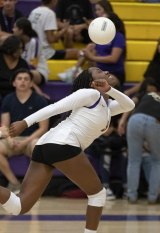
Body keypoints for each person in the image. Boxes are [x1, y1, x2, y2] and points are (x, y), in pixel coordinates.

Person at [0, 67, 134, 233]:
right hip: (63, 144)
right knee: (98, 194)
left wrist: (109, 90)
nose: (106, 72)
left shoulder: (107, 108)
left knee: (19, 206)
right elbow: (54, 108)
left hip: (45, 146)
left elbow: (129, 105)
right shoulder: (89, 94)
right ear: (90, 81)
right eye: (98, 71)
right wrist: (24, 123)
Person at [0, 68, 49, 192]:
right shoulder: (8, 99)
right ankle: (14, 183)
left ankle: (34, 187)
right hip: (13, 138)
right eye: (19, 79)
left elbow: (43, 128)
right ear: (14, 83)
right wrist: (9, 139)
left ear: (31, 83)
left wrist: (25, 142)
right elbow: (5, 126)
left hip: (32, 139)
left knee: (38, 147)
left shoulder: (39, 100)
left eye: (26, 79)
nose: (23, 81)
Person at [118, 78, 160, 204]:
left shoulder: (143, 94)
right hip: (155, 121)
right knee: (157, 161)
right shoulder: (156, 96)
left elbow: (131, 104)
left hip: (135, 119)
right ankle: (153, 197)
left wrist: (122, 121)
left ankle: (131, 196)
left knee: (134, 160)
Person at [13, 17, 49, 86]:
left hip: (38, 71)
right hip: (22, 71)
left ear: (21, 30)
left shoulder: (35, 42)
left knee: (24, 75)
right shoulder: (17, 42)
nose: (13, 30)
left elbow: (33, 64)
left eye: (15, 28)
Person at [0, 35, 29, 104]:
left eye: (22, 48)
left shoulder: (22, 63)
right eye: (19, 48)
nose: (21, 51)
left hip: (16, 93)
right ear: (11, 47)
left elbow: (29, 81)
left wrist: (40, 94)